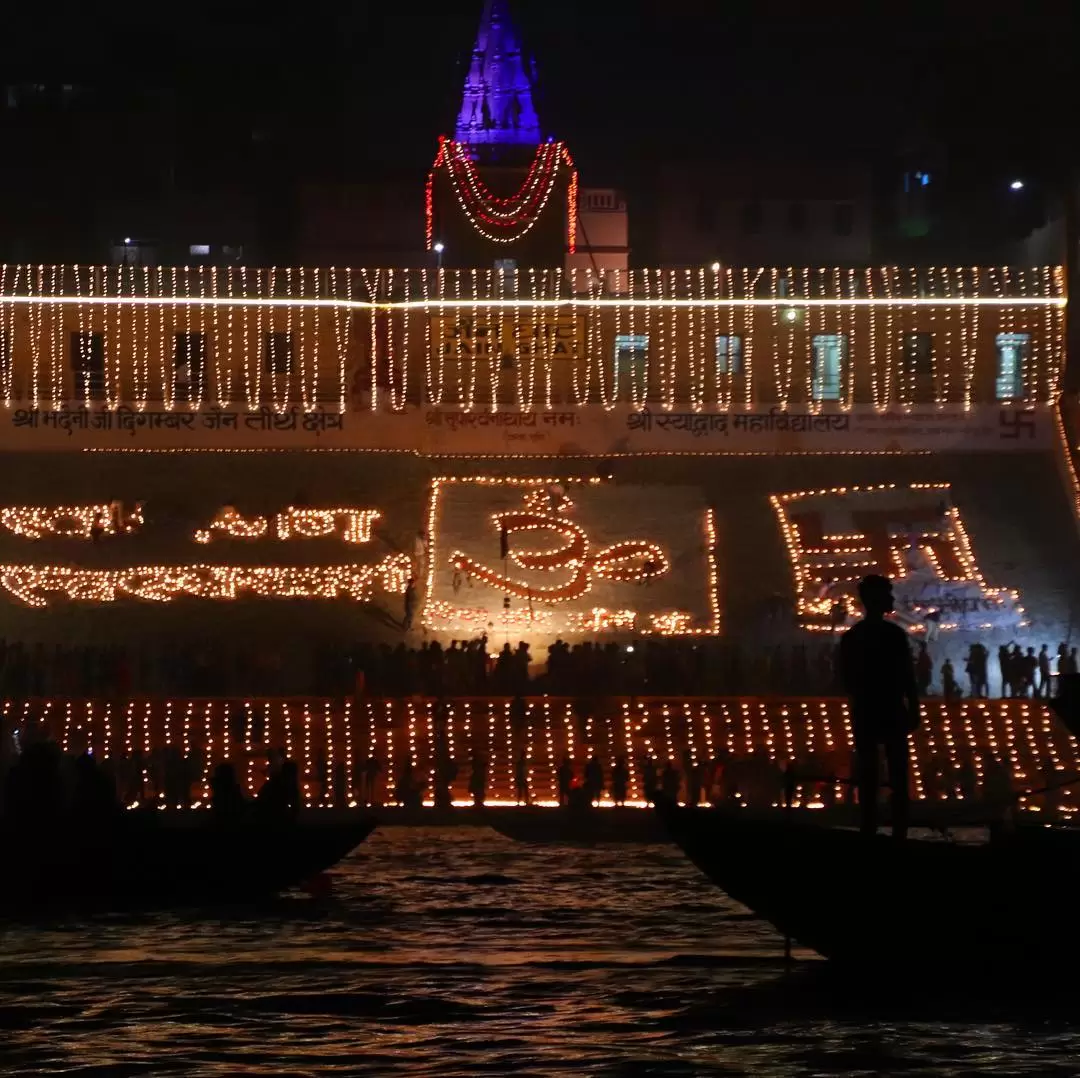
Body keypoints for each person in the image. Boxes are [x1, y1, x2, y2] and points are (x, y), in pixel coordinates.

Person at [838, 574, 920, 840]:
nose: (892, 599)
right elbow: (907, 675)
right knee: (898, 773)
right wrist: (913, 706)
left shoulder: (853, 637)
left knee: (869, 772)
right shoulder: (894, 635)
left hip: (865, 710)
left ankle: (869, 828)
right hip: (890, 708)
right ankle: (899, 829)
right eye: (887, 594)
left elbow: (846, 678)